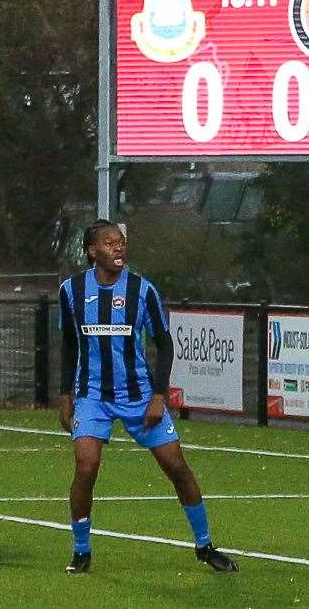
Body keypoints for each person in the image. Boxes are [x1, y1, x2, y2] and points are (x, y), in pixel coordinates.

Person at [57, 220, 238, 574]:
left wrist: (159, 395)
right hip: (91, 394)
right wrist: (66, 395)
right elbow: (68, 343)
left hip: (139, 394)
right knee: (87, 466)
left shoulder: (142, 290)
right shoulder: (71, 290)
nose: (119, 248)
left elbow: (164, 342)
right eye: (110, 243)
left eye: (122, 242)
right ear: (92, 251)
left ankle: (205, 546)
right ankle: (81, 551)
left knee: (177, 468)